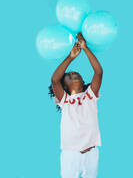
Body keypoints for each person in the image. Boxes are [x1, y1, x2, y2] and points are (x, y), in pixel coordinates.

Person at [49, 32, 103, 178]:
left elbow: (98, 72)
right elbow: (54, 80)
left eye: (75, 74)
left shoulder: (90, 95)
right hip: (70, 154)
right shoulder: (65, 100)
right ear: (64, 86)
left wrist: (85, 48)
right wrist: (70, 57)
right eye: (69, 76)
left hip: (92, 152)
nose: (74, 74)